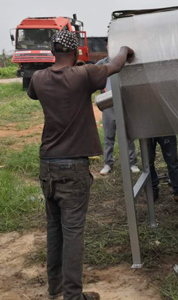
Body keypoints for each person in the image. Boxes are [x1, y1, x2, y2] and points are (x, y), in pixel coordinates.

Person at [27, 29, 134, 300]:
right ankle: (73, 297)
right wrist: (125, 49)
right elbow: (116, 65)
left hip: (47, 165)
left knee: (55, 229)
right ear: (75, 54)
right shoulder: (83, 75)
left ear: (53, 53)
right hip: (73, 167)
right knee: (73, 233)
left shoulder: (39, 78)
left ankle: (56, 289)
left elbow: (32, 94)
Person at [95, 42, 139, 176]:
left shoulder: (125, 63)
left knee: (127, 134)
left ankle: (133, 163)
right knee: (109, 135)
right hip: (108, 104)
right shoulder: (101, 64)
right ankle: (108, 163)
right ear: (107, 46)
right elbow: (93, 79)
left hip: (124, 102)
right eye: (109, 44)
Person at [146, 135, 178, 203]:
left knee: (172, 161)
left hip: (165, 127)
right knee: (147, 162)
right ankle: (152, 190)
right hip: (146, 129)